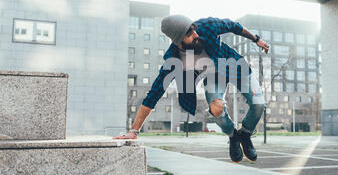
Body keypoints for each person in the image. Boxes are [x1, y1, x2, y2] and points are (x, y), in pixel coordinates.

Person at [113, 15, 269, 162]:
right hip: (215, 77)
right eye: (189, 33)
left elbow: (234, 26)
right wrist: (134, 130)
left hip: (235, 65)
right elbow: (155, 92)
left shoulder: (207, 26)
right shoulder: (173, 59)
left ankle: (245, 134)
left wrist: (256, 39)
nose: (195, 35)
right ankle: (233, 136)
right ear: (178, 41)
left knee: (259, 105)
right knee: (216, 108)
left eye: (194, 29)